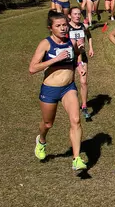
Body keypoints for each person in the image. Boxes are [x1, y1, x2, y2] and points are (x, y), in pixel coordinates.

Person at [28, 11, 85, 172]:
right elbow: (32, 68)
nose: (63, 28)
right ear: (50, 28)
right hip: (50, 89)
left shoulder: (71, 41)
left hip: (69, 87)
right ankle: (42, 140)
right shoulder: (45, 44)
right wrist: (55, 59)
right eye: (58, 26)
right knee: (48, 123)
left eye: (65, 25)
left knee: (75, 120)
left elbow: (75, 57)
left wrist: (79, 64)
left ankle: (76, 158)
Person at [67, 7, 95, 121]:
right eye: (75, 14)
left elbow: (89, 35)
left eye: (79, 14)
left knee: (84, 82)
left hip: (82, 57)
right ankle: (71, 104)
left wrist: (91, 48)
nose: (78, 16)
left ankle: (84, 106)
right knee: (70, 82)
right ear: (69, 16)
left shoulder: (84, 26)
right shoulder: (66, 28)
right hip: (70, 58)